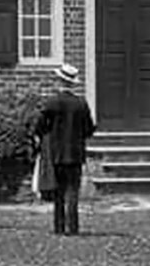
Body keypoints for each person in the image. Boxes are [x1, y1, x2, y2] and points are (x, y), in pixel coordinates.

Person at [33, 63, 95, 236]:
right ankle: (73, 227)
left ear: (60, 80)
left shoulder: (52, 102)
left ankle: (59, 227)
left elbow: (40, 125)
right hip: (76, 153)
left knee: (59, 192)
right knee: (73, 191)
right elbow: (89, 129)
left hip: (57, 153)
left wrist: (42, 136)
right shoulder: (81, 104)